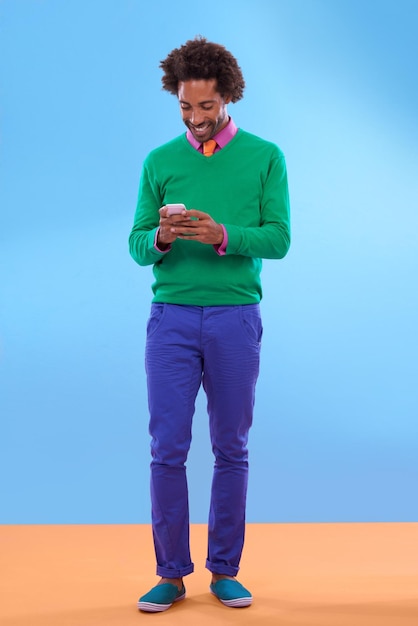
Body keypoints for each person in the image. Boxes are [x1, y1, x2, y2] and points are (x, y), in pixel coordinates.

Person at [129, 36, 290, 613]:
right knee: (167, 448)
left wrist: (224, 236)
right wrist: (161, 238)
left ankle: (225, 570)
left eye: (206, 107)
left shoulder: (266, 156)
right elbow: (135, 246)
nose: (195, 119)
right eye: (184, 108)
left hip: (234, 318)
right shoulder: (159, 161)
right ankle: (170, 573)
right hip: (170, 319)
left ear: (227, 97)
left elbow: (279, 239)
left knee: (231, 447)